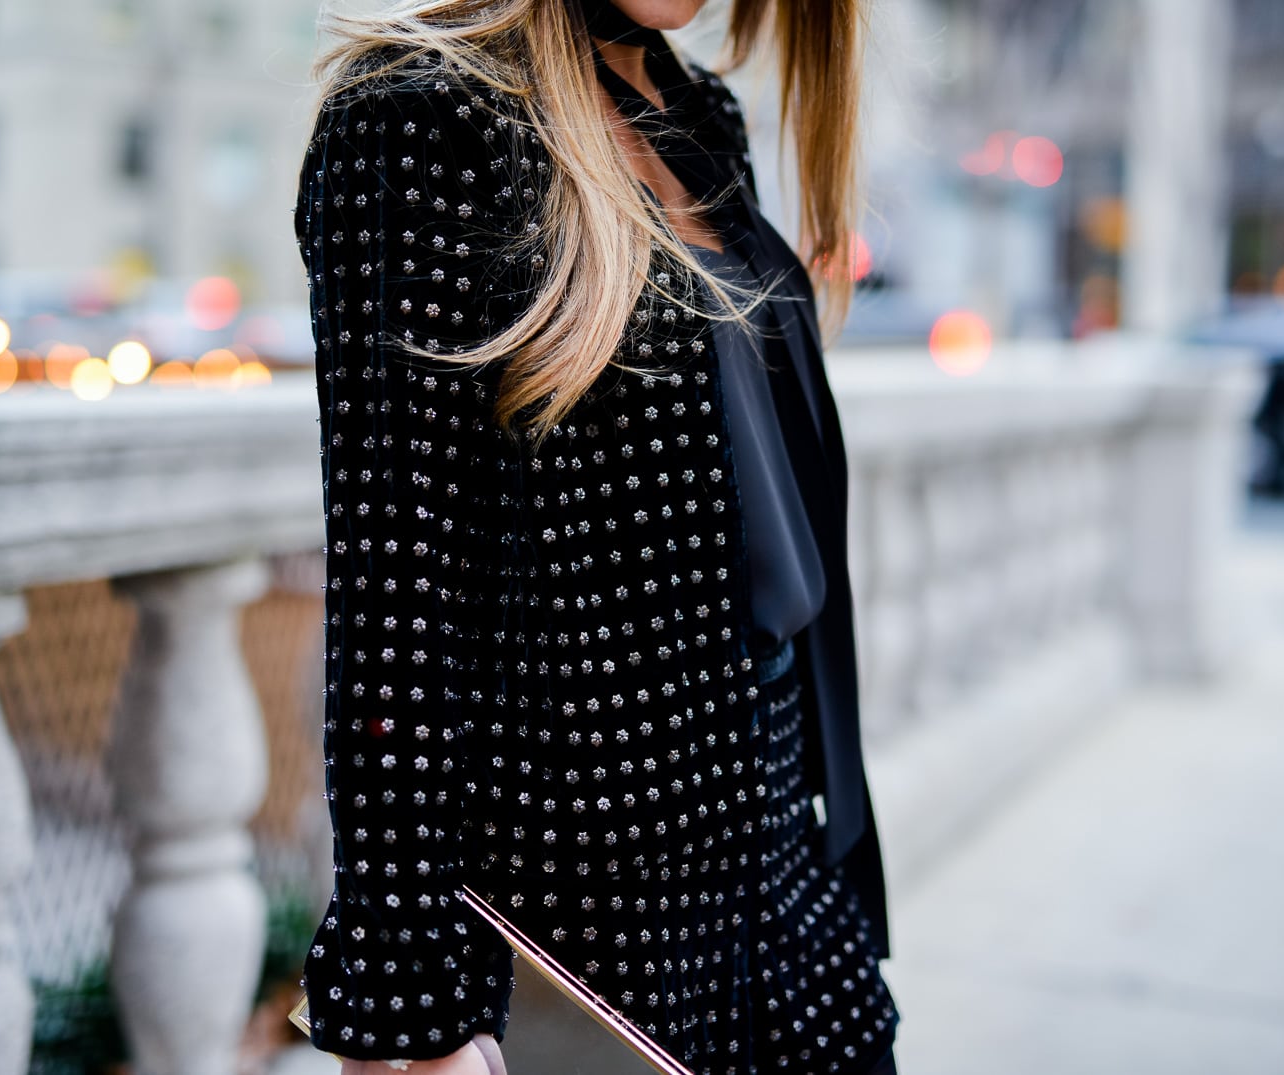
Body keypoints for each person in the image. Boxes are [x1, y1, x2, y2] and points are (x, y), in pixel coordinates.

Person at [293, 1, 899, 1072]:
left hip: (780, 876)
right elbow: (400, 600)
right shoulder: (418, 116)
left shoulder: (691, 105)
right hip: (588, 933)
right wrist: (412, 1004)